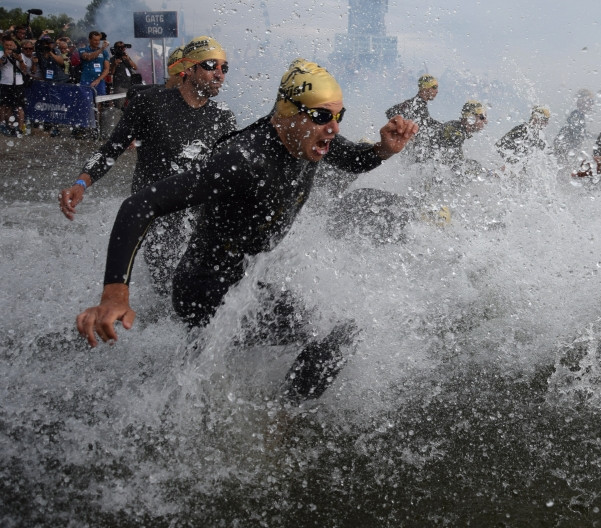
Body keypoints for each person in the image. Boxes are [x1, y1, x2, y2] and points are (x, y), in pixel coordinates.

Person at [74, 59, 418, 403]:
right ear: (287, 111)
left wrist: (383, 149)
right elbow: (140, 205)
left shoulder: (311, 141)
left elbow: (354, 159)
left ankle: (203, 387)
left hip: (243, 281)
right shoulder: (243, 158)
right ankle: (278, 414)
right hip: (203, 291)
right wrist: (115, 294)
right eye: (322, 116)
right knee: (330, 332)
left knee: (339, 331)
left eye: (338, 116)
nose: (334, 128)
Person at [59, 36, 237, 293]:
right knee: (167, 292)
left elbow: (227, 176)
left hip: (196, 221)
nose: (219, 74)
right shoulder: (150, 104)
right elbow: (112, 149)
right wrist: (81, 183)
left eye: (224, 68)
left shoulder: (223, 118)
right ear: (188, 68)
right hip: (155, 218)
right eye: (211, 66)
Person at [385, 74, 442, 161]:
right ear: (425, 88)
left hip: (413, 152)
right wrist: (402, 128)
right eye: (434, 87)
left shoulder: (417, 104)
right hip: (414, 153)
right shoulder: (415, 104)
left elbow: (427, 121)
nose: (437, 91)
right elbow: (390, 112)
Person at [426, 99, 488, 174]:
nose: (485, 121)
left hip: (430, 166)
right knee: (474, 166)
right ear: (471, 117)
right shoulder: (455, 133)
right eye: (482, 117)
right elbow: (456, 165)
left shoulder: (456, 127)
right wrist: (488, 173)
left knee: (473, 165)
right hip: (428, 170)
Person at [553, 88, 596, 162]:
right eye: (590, 101)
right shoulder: (576, 115)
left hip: (563, 149)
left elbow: (580, 133)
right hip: (563, 150)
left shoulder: (579, 115)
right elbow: (577, 134)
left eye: (592, 102)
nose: (592, 104)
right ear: (582, 102)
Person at [0, 34, 30, 135]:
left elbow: (25, 69)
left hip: (18, 83)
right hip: (5, 82)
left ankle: (20, 128)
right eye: (7, 45)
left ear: (14, 46)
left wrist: (19, 59)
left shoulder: (19, 54)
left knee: (19, 106)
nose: (9, 47)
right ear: (3, 45)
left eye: (11, 45)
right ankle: (5, 125)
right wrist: (5, 55)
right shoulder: (1, 53)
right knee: (5, 106)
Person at [78, 31, 111, 95]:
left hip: (99, 81)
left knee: (99, 101)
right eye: (95, 40)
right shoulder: (83, 49)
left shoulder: (104, 52)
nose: (97, 42)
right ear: (89, 40)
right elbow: (88, 57)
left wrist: (98, 79)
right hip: (86, 80)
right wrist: (101, 49)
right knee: (87, 101)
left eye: (98, 40)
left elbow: (107, 69)